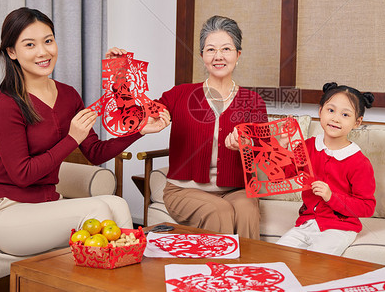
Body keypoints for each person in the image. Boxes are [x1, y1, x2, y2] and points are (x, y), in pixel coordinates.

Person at [0, 7, 170, 256]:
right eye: (30, 45)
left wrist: (139, 130)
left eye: (48, 41)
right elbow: (22, 174)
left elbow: (95, 153)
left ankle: (126, 273)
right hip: (3, 211)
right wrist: (71, 139)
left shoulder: (68, 95)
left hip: (44, 205)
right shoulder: (5, 102)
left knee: (118, 204)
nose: (43, 52)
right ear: (12, 52)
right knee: (97, 212)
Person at [108, 15, 267, 239]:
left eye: (226, 49)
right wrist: (119, 75)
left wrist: (247, 145)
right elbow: (135, 115)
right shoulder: (180, 95)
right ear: (202, 56)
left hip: (235, 189)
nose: (218, 56)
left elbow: (265, 153)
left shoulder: (253, 101)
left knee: (247, 210)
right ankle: (216, 272)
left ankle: (249, 272)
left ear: (238, 55)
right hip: (184, 190)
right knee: (218, 211)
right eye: (211, 50)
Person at [276, 82, 376, 255]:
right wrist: (283, 148)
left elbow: (367, 207)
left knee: (316, 260)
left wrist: (332, 197)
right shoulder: (307, 146)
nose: (336, 118)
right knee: (279, 254)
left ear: (357, 122)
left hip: (340, 228)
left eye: (345, 114)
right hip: (306, 223)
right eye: (331, 110)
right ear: (320, 111)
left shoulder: (359, 162)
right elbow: (285, 176)